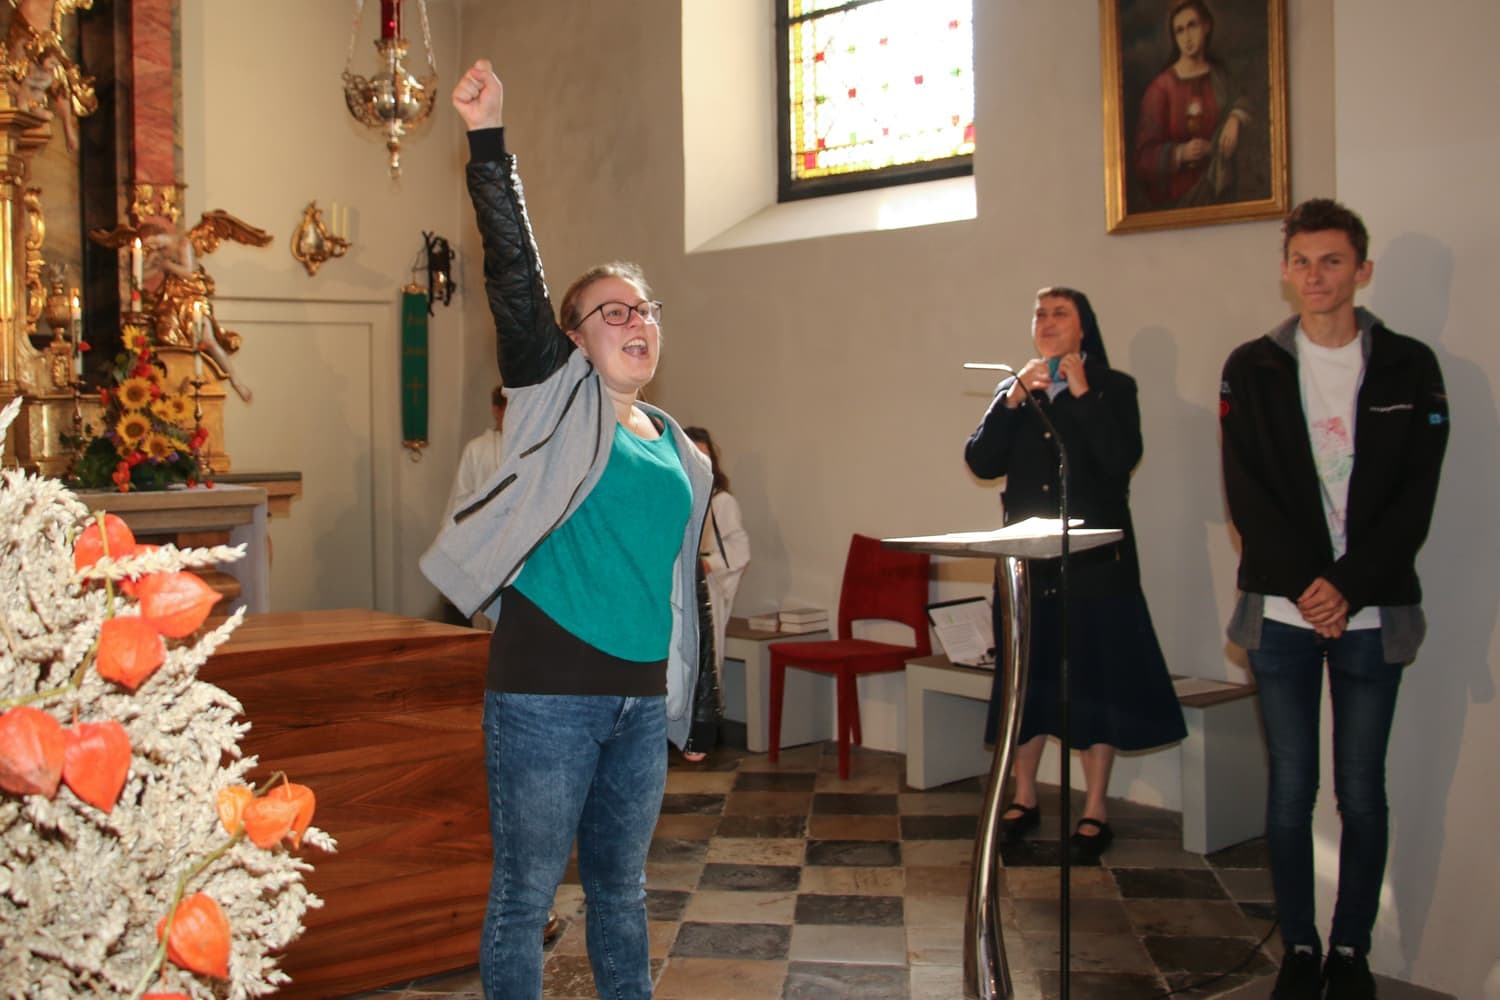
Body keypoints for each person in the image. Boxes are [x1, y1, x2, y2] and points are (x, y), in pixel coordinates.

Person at [420, 60, 713, 1000]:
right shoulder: (554, 402)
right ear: (575, 338)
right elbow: (514, 271)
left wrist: (691, 703)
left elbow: (682, 587)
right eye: (611, 311)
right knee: (526, 897)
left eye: (645, 309)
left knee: (623, 892)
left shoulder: (680, 449)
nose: (635, 320)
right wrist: (488, 140)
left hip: (638, 701)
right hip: (545, 693)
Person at [1219, 199, 1448, 1000]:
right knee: (1290, 791)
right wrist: (1311, 588)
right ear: (1286, 271)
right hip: (1284, 617)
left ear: (1362, 270)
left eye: (1333, 261)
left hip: (1373, 615)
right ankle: (1300, 946)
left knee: (1362, 792)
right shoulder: (1251, 366)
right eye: (1303, 261)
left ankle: (1351, 949)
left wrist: (1346, 587)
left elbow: (1414, 499)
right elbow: (1248, 495)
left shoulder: (1410, 365)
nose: (1316, 276)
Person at [964, 287, 1185, 862]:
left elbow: (1118, 459)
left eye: (1060, 313)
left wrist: (1083, 394)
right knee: (1026, 682)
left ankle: (1095, 808)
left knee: (1096, 682)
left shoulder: (1114, 388)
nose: (1047, 321)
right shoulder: (1016, 389)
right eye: (1040, 313)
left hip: (1095, 567)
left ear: (1084, 327)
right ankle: (1023, 796)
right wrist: (1011, 400)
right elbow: (981, 461)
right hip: (1028, 567)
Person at [1133, 0, 1252, 209]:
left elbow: (1242, 100)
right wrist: (1181, 153)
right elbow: (1143, 158)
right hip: (1179, 201)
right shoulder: (1161, 88)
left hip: (1219, 194)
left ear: (1206, 26)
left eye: (1192, 26)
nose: (1187, 37)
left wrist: (1235, 117)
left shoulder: (1220, 76)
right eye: (1179, 31)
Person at [680, 426, 751, 761]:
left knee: (706, 652)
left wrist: (709, 564)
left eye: (704, 456)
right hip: (676, 584)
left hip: (705, 584)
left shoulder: (722, 501)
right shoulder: (676, 493)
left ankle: (704, 724)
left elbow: (739, 548)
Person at [446, 385, 509, 518]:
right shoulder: (476, 449)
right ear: (496, 410)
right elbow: (461, 500)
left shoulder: (527, 449)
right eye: (510, 408)